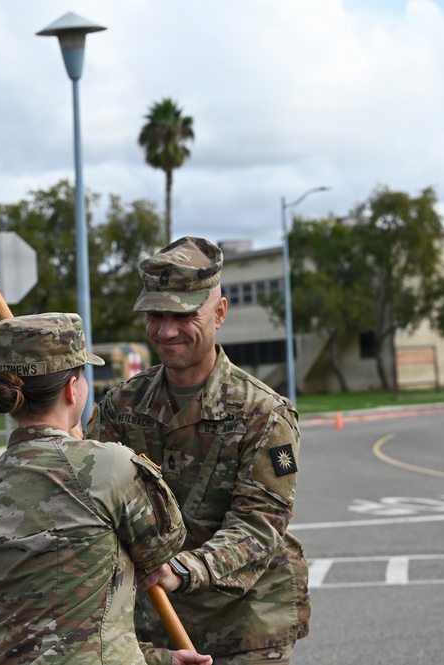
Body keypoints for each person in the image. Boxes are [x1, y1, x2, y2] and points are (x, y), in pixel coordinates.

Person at [86, 238, 311, 664]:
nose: (166, 331)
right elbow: (90, 504)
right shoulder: (121, 407)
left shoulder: (262, 413)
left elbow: (259, 525)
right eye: (156, 315)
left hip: (243, 623)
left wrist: (184, 570)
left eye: (184, 315)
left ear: (220, 313)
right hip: (152, 624)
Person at [0, 312, 213, 665]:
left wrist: (158, 660)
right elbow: (165, 543)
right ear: (72, 388)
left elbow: (35, 625)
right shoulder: (109, 466)